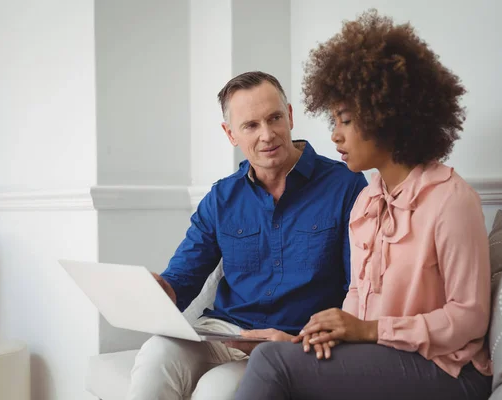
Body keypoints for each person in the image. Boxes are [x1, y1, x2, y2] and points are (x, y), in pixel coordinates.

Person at [235, 10, 493, 400]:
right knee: (276, 354)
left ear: (385, 117)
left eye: (346, 121)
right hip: (383, 355)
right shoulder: (367, 201)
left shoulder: (451, 200)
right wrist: (311, 338)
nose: (334, 135)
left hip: (449, 369)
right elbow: (355, 307)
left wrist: (371, 331)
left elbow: (469, 318)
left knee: (271, 364)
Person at [126, 71, 367, 400]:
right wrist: (160, 290)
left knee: (217, 391)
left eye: (274, 118)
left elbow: (357, 289)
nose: (267, 135)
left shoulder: (345, 186)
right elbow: (182, 278)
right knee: (156, 353)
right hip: (226, 331)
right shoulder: (222, 198)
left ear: (290, 116)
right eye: (251, 125)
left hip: (292, 340)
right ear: (231, 134)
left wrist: (312, 340)